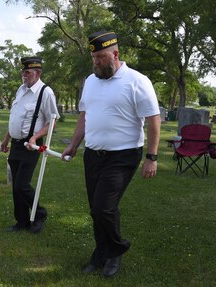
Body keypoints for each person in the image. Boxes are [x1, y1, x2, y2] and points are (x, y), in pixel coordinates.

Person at [61, 31, 161, 278]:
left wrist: (152, 157)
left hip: (123, 155)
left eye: (101, 57)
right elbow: (85, 116)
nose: (96, 62)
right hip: (93, 154)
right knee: (95, 209)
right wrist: (74, 144)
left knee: (104, 208)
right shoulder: (91, 81)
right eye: (94, 57)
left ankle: (115, 251)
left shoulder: (137, 81)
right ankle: (101, 253)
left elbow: (153, 119)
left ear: (115, 54)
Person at [1, 56, 60, 234]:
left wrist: (35, 138)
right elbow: (16, 118)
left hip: (30, 146)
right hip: (16, 145)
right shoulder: (21, 90)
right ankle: (22, 222)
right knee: (15, 187)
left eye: (27, 72)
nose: (23, 75)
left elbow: (53, 122)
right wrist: (6, 139)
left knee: (22, 185)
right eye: (23, 72)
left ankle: (40, 214)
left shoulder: (45, 92)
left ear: (37, 73)